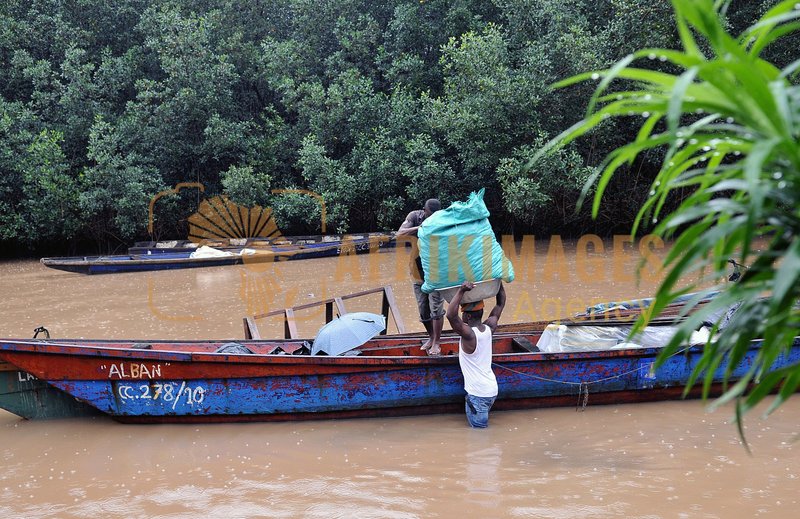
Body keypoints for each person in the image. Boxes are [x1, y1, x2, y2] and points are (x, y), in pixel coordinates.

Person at [446, 281, 506, 428]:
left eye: (464, 315)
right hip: (491, 390)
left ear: (467, 317)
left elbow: (450, 316)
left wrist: (461, 291)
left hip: (478, 394)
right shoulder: (489, 327)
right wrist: (497, 282)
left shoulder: (469, 335)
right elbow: (500, 304)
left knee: (479, 436)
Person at [397, 198, 444, 355]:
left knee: (436, 308)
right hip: (417, 270)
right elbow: (400, 234)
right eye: (428, 214)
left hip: (436, 270)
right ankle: (431, 337)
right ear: (424, 210)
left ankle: (437, 342)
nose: (430, 217)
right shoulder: (415, 216)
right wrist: (422, 227)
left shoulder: (443, 221)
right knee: (423, 309)